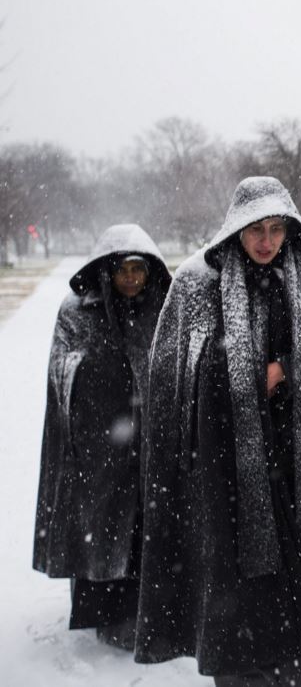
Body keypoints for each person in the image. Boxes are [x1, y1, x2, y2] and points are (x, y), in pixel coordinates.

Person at [135, 177, 301, 686]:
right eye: (255, 230)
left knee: (290, 583)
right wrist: (241, 377)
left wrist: (288, 367)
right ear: (235, 230)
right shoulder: (197, 284)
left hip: (300, 464)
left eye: (276, 229)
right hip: (223, 470)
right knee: (237, 587)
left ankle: (287, 667)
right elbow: (176, 387)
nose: (266, 241)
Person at [34, 224, 171, 650]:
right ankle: (107, 613)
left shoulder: (160, 311)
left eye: (139, 270)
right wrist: (101, 385)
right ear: (106, 271)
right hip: (99, 452)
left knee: (146, 530)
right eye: (123, 270)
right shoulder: (77, 310)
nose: (131, 279)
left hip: (148, 448)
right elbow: (63, 370)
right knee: (104, 530)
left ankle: (148, 611)